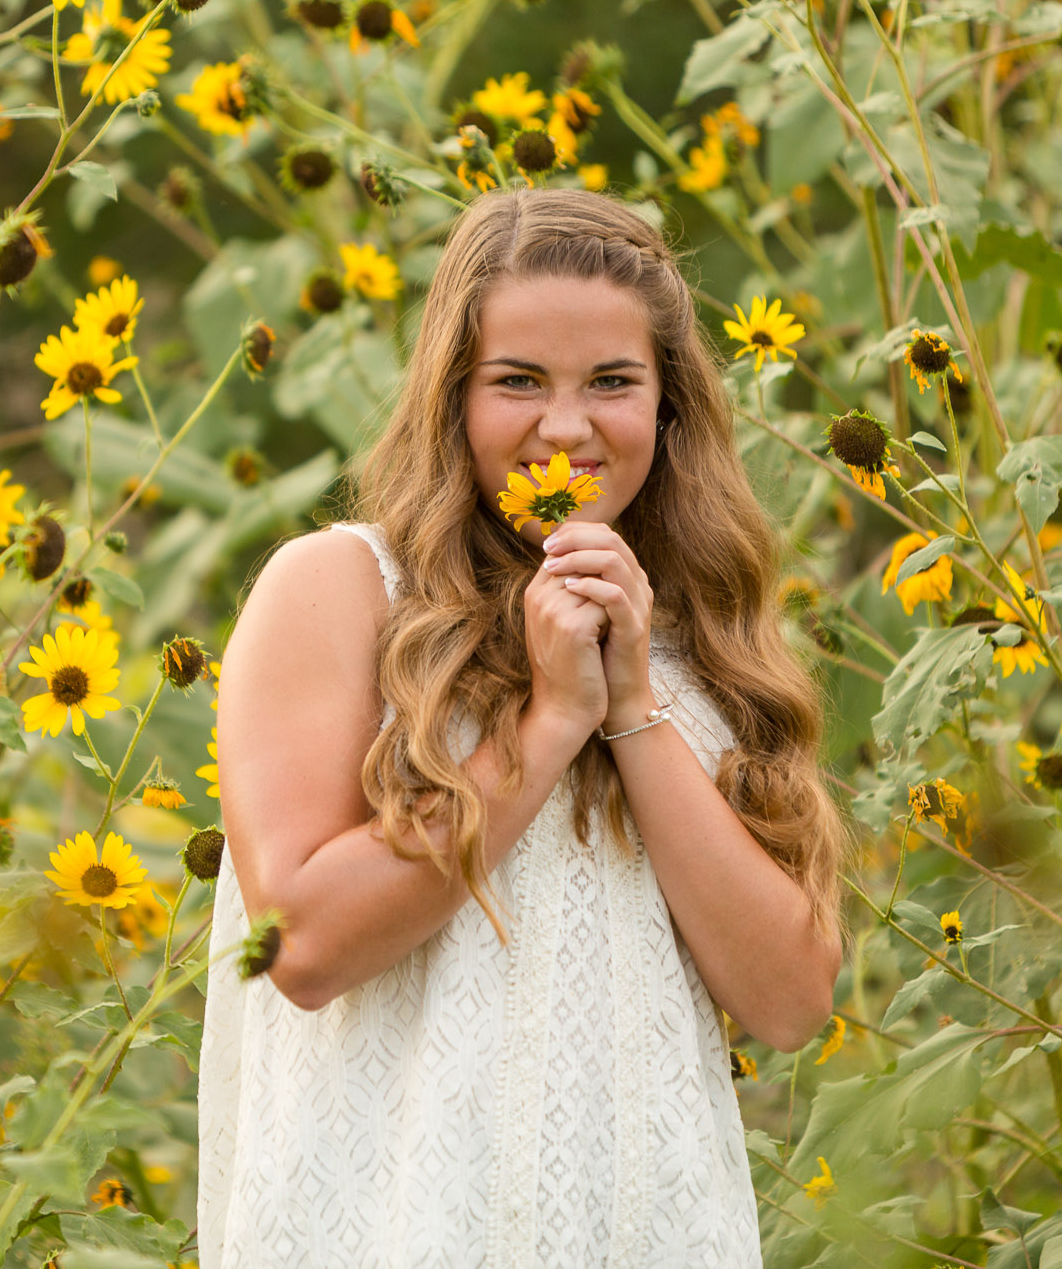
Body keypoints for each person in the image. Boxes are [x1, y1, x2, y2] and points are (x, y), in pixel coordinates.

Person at [195, 186, 847, 1266]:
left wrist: (632, 708)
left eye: (611, 382)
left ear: (668, 406)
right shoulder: (340, 589)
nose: (565, 425)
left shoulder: (699, 637)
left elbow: (788, 998)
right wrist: (547, 725)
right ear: (450, 396)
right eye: (517, 381)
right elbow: (299, 946)